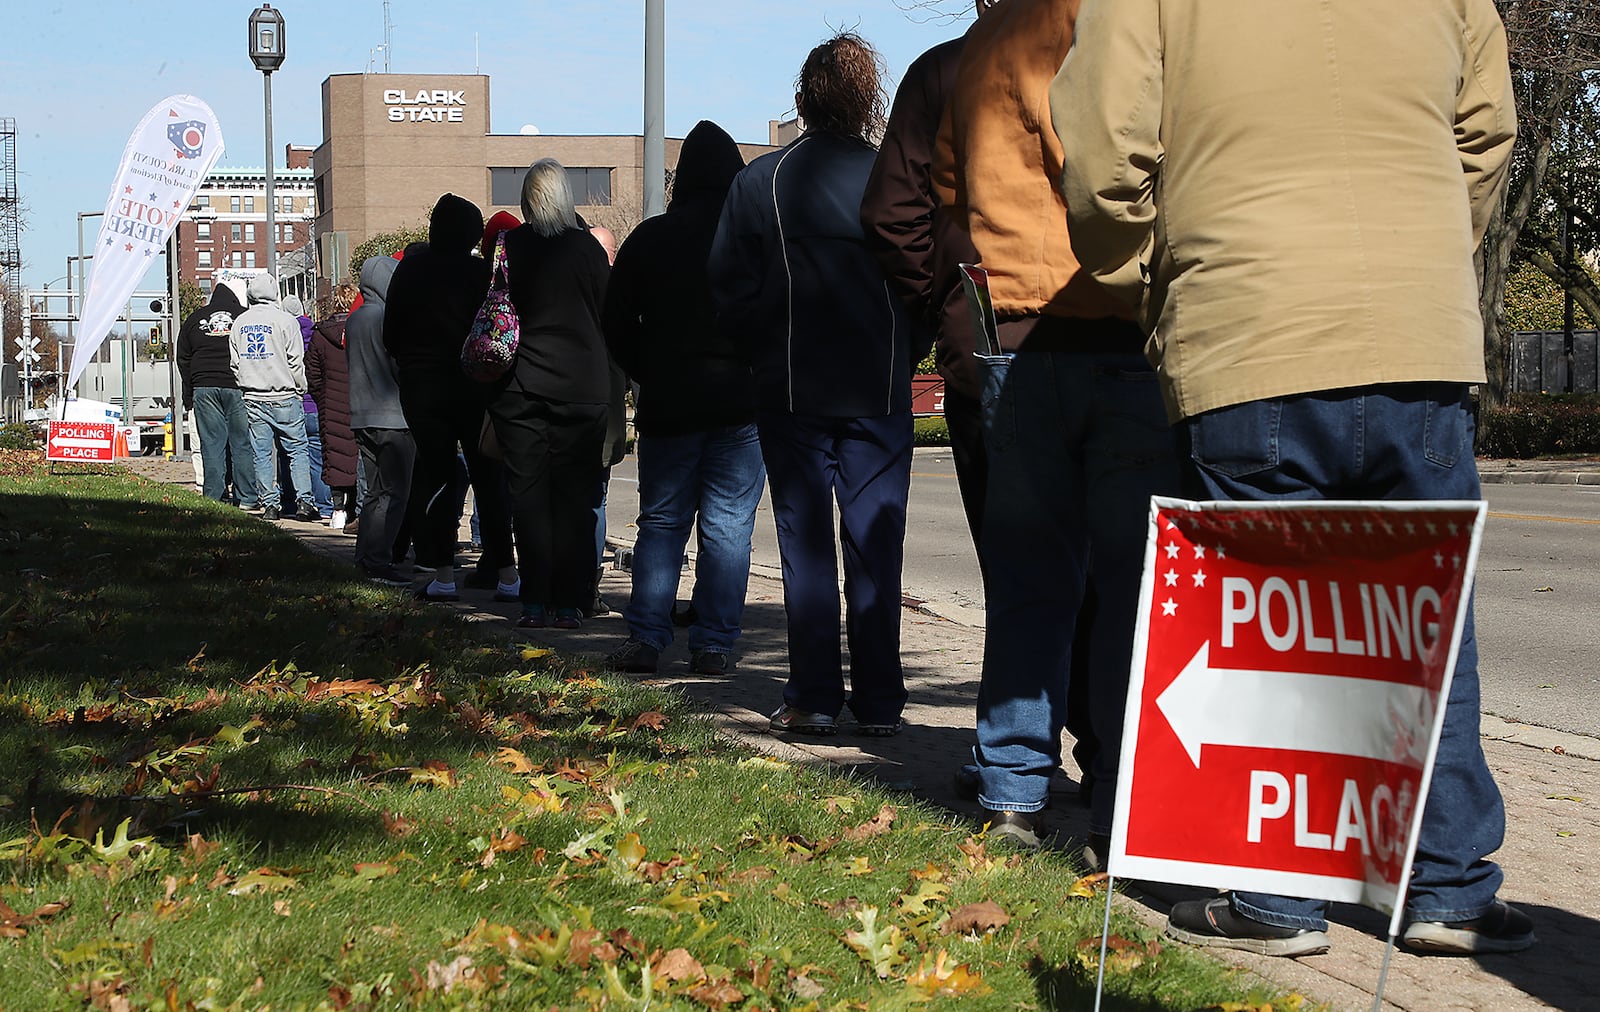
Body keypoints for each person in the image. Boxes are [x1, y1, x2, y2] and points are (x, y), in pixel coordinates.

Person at [1053, 0, 1531, 956]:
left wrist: (1151, 279)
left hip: (1247, 318)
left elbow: (1106, 166)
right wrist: (1428, 249)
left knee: (1267, 625)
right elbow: (1487, 133)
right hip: (1417, 327)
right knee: (1423, 621)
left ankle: (1277, 898)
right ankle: (1446, 887)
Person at [927, 0, 1181, 853]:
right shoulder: (1121, 24)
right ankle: (1121, 790)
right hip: (1115, 327)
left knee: (1030, 579)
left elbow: (947, 185)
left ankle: (1011, 788)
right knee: (1130, 587)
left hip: (1018, 338)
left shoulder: (986, 41)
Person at [710, 32, 924, 737]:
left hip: (793, 387)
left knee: (805, 547)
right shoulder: (899, 177)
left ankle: (814, 695)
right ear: (870, 101)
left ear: (802, 100)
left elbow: (728, 291)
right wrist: (907, 350)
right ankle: (882, 701)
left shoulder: (761, 181)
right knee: (876, 545)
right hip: (879, 388)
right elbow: (927, 282)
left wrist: (762, 351)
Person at [603, 120, 764, 677]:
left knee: (663, 522)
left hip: (670, 400)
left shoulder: (651, 238)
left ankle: (647, 636)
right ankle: (715, 643)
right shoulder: (754, 240)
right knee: (728, 526)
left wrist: (647, 368)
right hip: (740, 403)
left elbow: (614, 321)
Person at [486, 158, 613, 630]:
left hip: (519, 387)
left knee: (529, 498)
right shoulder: (586, 249)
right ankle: (569, 603)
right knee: (576, 500)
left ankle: (534, 602)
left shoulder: (508, 246)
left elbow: (493, 306)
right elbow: (609, 313)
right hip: (581, 389)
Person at [383, 193, 518, 603]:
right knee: (488, 478)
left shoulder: (409, 270)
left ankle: (441, 571)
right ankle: (508, 572)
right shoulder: (481, 274)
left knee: (436, 476)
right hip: (474, 386)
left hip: (424, 387)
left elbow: (391, 335)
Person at [229, 274, 319, 522]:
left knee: (261, 454)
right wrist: (300, 388)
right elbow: (295, 361)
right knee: (297, 450)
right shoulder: (286, 321)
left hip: (253, 396)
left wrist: (246, 383)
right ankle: (304, 502)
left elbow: (235, 364)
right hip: (285, 393)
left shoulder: (240, 323)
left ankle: (270, 504)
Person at [347, 256, 413, 585]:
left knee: (374, 491)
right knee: (395, 492)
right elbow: (400, 366)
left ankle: (365, 556)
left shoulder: (355, 319)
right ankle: (380, 559)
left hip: (361, 414)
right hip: (394, 416)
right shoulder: (388, 317)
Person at [176, 278, 258, 506]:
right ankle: (247, 497)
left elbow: (182, 358)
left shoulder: (194, 319)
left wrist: (189, 392)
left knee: (211, 443)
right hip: (238, 386)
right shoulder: (244, 317)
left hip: (204, 386)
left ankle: (214, 495)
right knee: (241, 442)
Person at [306, 286, 359, 527]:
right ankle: (354, 509)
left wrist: (321, 398)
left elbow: (312, 374)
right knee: (358, 456)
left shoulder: (321, 334)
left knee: (333, 455)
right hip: (360, 400)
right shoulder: (363, 329)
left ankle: (337, 509)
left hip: (330, 403)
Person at [282, 295, 335, 518]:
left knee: (288, 456)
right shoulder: (317, 333)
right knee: (317, 456)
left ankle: (292, 502)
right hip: (314, 406)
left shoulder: (280, 333)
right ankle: (324, 505)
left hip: (291, 403)